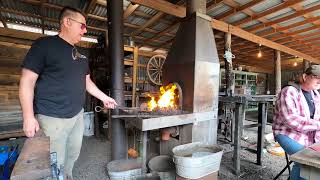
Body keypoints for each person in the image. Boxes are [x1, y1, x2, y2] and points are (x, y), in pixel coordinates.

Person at [19, 6, 117, 179]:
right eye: (82, 26)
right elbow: (27, 81)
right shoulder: (44, 45)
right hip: (52, 117)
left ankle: (67, 176)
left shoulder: (81, 57)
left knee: (73, 154)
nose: (85, 30)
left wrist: (105, 98)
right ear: (67, 22)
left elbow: (87, 83)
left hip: (77, 116)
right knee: (54, 160)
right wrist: (28, 116)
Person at [273, 65, 320, 180]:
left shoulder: (316, 94)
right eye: (317, 77)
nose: (319, 81)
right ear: (305, 77)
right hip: (287, 133)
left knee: (314, 162)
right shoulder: (289, 91)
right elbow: (291, 119)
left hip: (308, 134)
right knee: (306, 160)